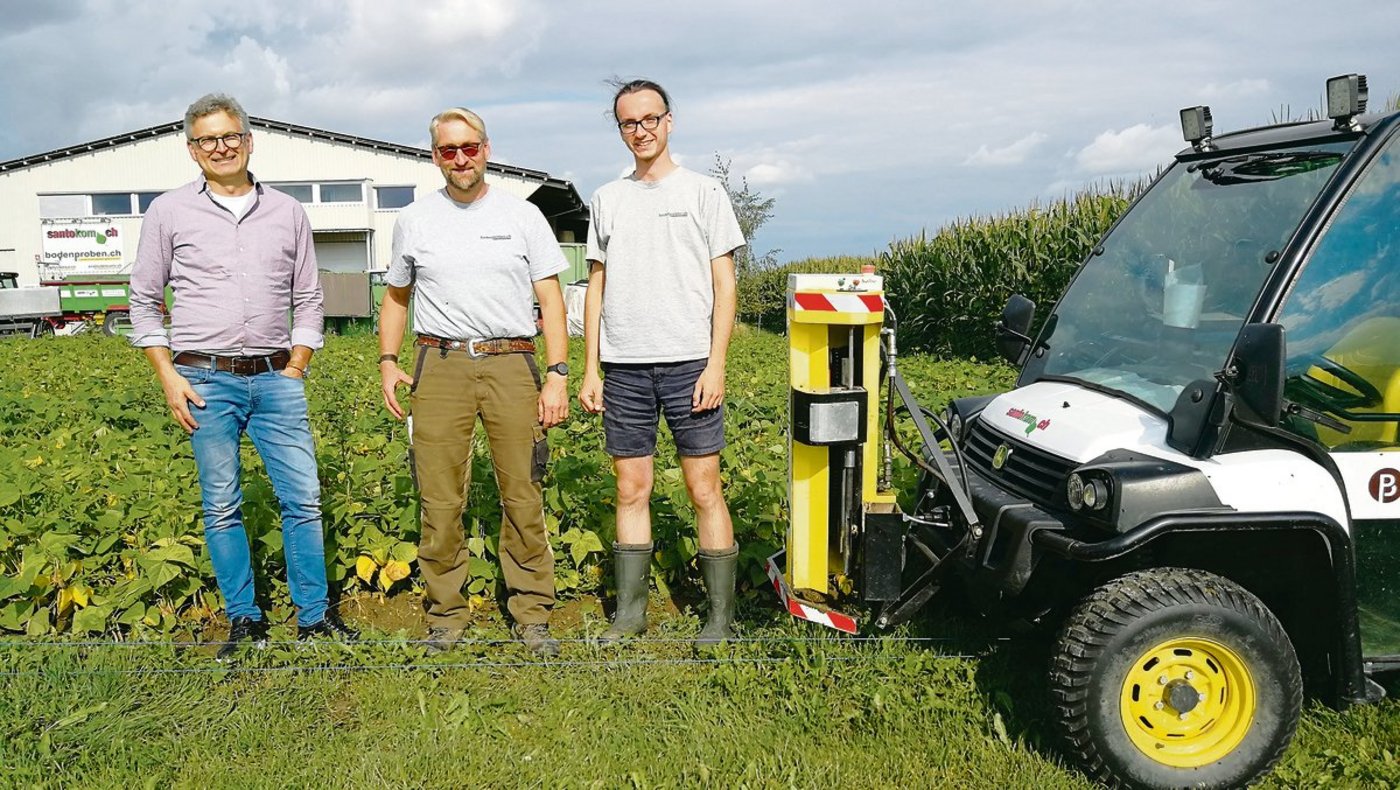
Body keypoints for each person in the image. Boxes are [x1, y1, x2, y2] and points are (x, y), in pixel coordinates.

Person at [130, 93, 356, 661]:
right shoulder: (169, 212)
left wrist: (298, 364)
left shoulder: (286, 212)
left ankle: (314, 617)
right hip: (203, 379)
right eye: (207, 139)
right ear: (192, 150)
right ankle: (245, 618)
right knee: (222, 502)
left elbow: (307, 296)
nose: (221, 147)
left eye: (230, 136)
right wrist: (167, 375)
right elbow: (143, 299)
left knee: (303, 498)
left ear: (249, 140)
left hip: (277, 376)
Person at [378, 107, 570, 658]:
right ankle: (446, 615)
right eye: (447, 150)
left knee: (522, 492)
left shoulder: (522, 216)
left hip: (512, 363)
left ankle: (532, 614)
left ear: (486, 148)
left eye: (469, 148)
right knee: (439, 498)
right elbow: (396, 296)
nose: (460, 159)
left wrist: (557, 374)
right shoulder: (414, 220)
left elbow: (551, 299)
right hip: (438, 365)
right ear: (434, 155)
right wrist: (389, 361)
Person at [579, 79, 746, 647]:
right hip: (624, 367)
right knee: (631, 489)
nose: (641, 130)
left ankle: (719, 618)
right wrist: (590, 368)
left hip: (689, 365)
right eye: (629, 123)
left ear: (669, 122)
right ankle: (631, 614)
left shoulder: (704, 193)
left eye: (650, 119)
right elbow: (594, 288)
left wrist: (716, 363)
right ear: (620, 130)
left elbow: (725, 284)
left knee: (704, 487)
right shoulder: (607, 199)